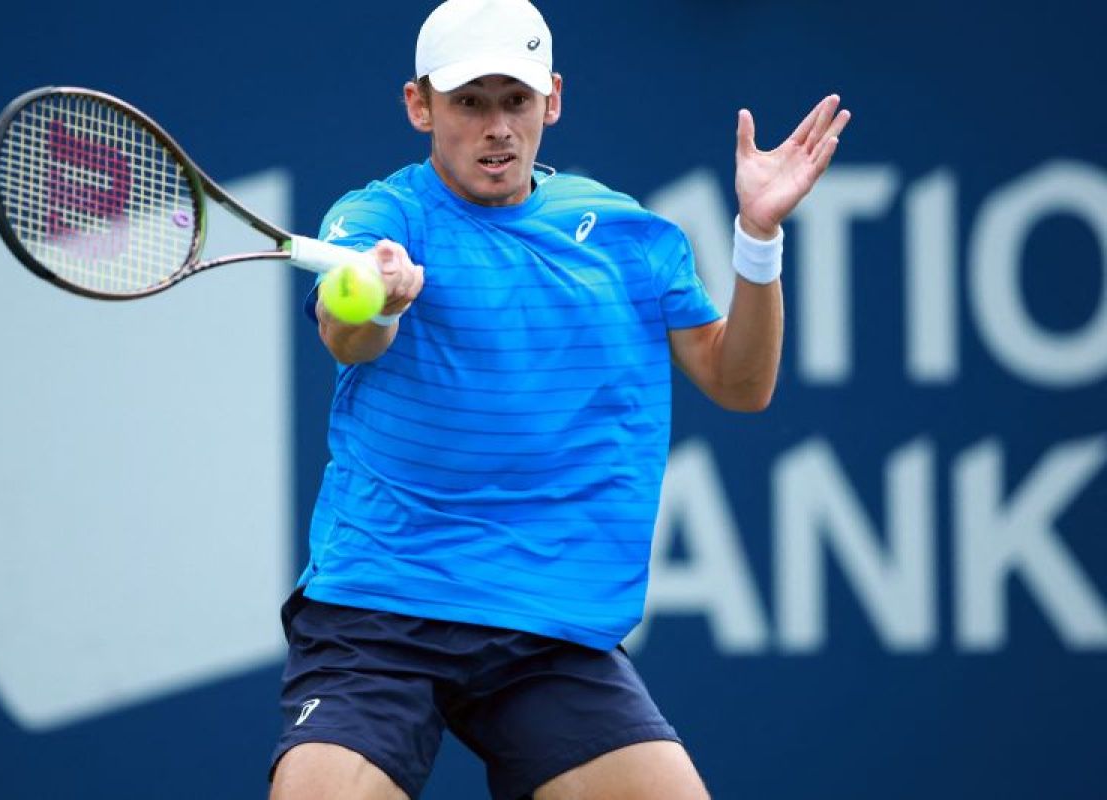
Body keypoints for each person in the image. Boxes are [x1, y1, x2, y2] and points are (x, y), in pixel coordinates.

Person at [270, 0, 849, 798]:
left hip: (545, 627)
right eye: (469, 102)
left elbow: (741, 384)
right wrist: (378, 296)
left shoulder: (629, 237)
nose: (496, 127)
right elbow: (348, 334)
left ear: (553, 100)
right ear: (420, 106)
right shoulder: (382, 217)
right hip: (383, 604)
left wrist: (758, 236)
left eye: (515, 100)